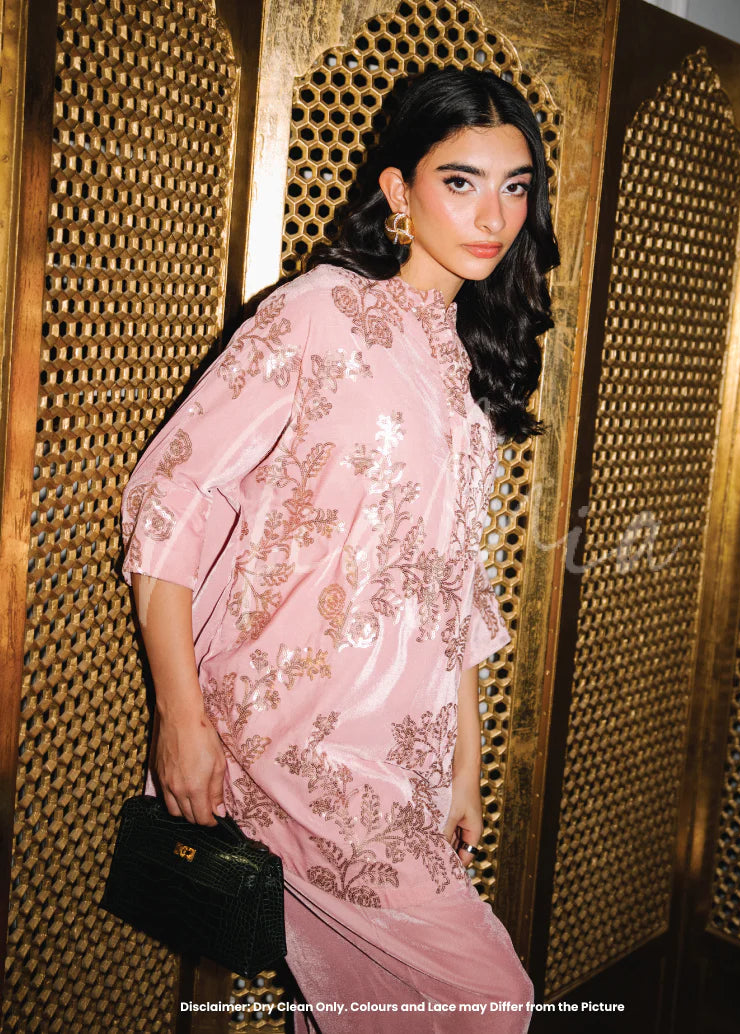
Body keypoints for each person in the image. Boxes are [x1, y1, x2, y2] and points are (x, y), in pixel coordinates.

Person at [120, 66, 559, 1032]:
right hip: (292, 735)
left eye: (515, 186)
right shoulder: (318, 312)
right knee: (493, 1001)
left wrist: (461, 758)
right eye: (460, 181)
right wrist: (179, 715)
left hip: (398, 747)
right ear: (399, 190)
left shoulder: (465, 358)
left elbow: (452, 581)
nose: (493, 214)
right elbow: (171, 493)